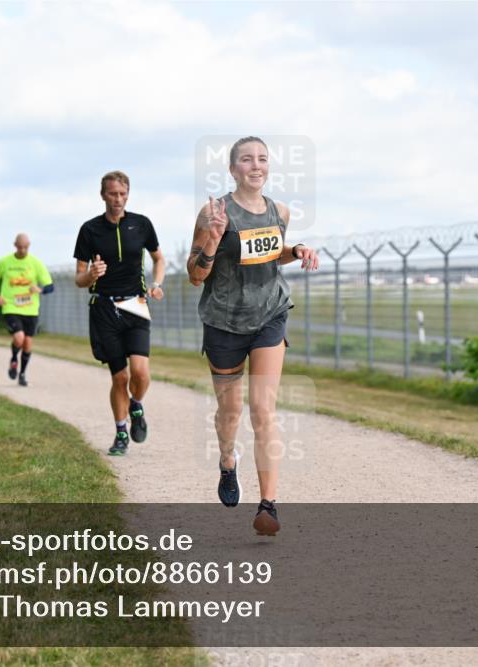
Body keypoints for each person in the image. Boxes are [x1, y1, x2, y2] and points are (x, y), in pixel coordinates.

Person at [187, 136, 319, 536]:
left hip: (269, 315)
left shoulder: (280, 211)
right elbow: (196, 275)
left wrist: (294, 250)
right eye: (247, 159)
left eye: (262, 159)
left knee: (263, 410)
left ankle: (268, 505)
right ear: (232, 169)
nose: (256, 165)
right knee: (231, 414)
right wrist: (212, 238)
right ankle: (228, 461)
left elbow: (268, 253)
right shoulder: (214, 212)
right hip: (224, 322)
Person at [74, 170, 165, 456]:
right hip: (103, 307)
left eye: (123, 194)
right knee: (120, 378)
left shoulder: (141, 224)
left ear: (128, 194)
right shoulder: (90, 229)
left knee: (141, 373)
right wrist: (91, 274)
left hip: (135, 304)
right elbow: (78, 278)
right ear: (103, 195)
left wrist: (157, 283)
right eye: (113, 194)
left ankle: (136, 404)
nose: (118, 199)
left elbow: (158, 258)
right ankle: (121, 433)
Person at [0, 233, 54, 387]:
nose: (23, 250)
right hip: (11, 306)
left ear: (29, 245)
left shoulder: (36, 263)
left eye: (26, 247)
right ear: (15, 245)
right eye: (20, 247)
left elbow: (50, 287)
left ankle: (22, 374)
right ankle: (13, 359)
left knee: (28, 343)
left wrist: (40, 289)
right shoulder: (4, 262)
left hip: (31, 309)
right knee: (19, 338)